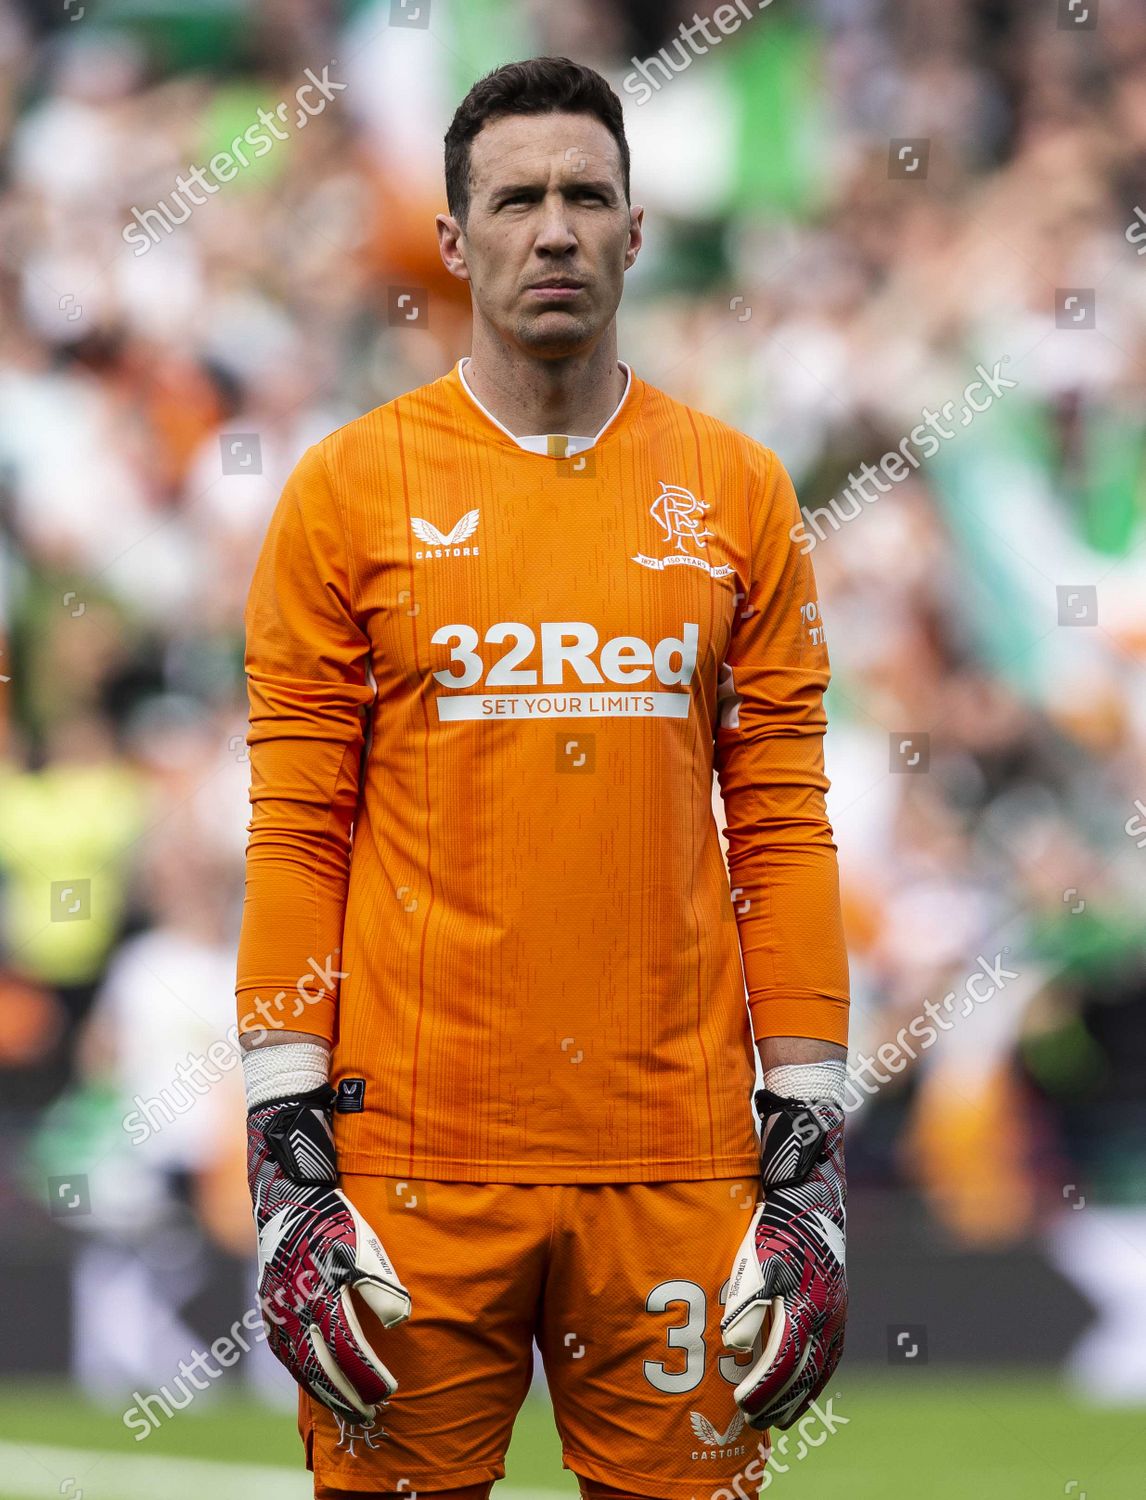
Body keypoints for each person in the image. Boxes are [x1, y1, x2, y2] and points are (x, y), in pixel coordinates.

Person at [235, 56, 850, 1500]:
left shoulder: (740, 491)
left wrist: (807, 1151)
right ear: (452, 243)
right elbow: (295, 832)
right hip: (410, 1169)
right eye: (517, 200)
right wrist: (282, 1162)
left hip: (680, 1168)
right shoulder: (344, 490)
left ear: (638, 231)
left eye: (587, 197)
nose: (555, 229)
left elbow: (779, 830)